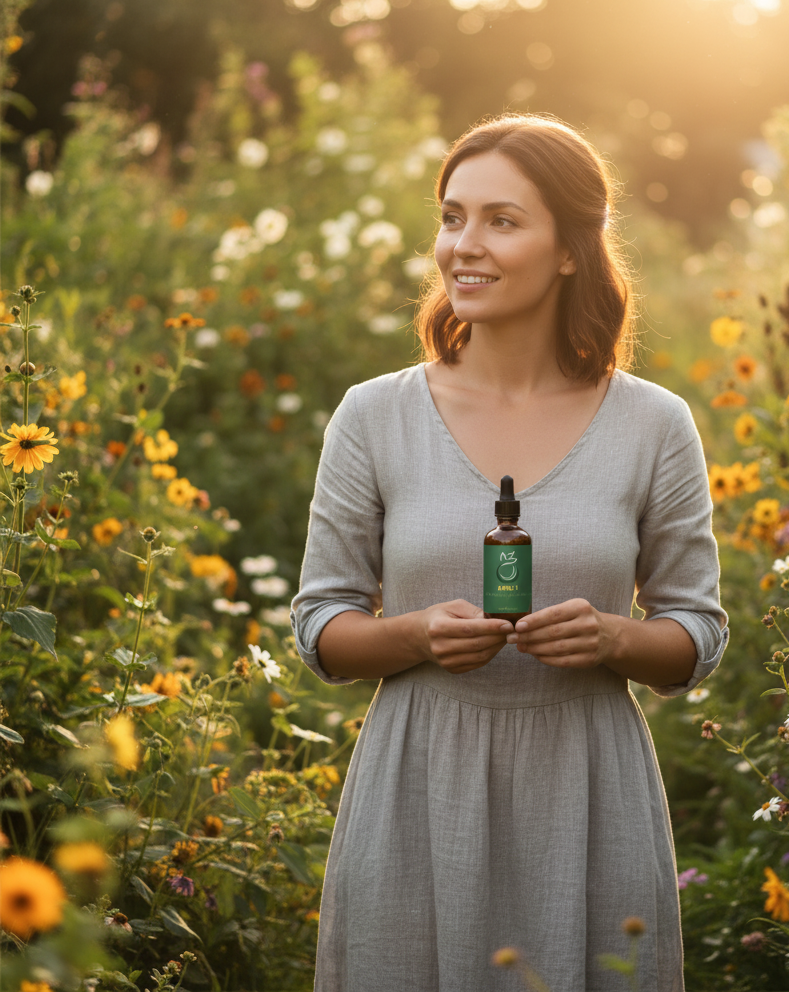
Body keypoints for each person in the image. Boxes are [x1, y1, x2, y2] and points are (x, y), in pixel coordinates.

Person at [291, 113, 728, 992]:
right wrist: (413, 636)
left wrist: (615, 640)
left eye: (501, 220)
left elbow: (695, 635)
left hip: (588, 793)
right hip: (418, 787)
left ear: (570, 248)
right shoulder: (374, 416)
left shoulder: (653, 424)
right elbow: (321, 625)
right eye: (452, 217)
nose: (463, 245)